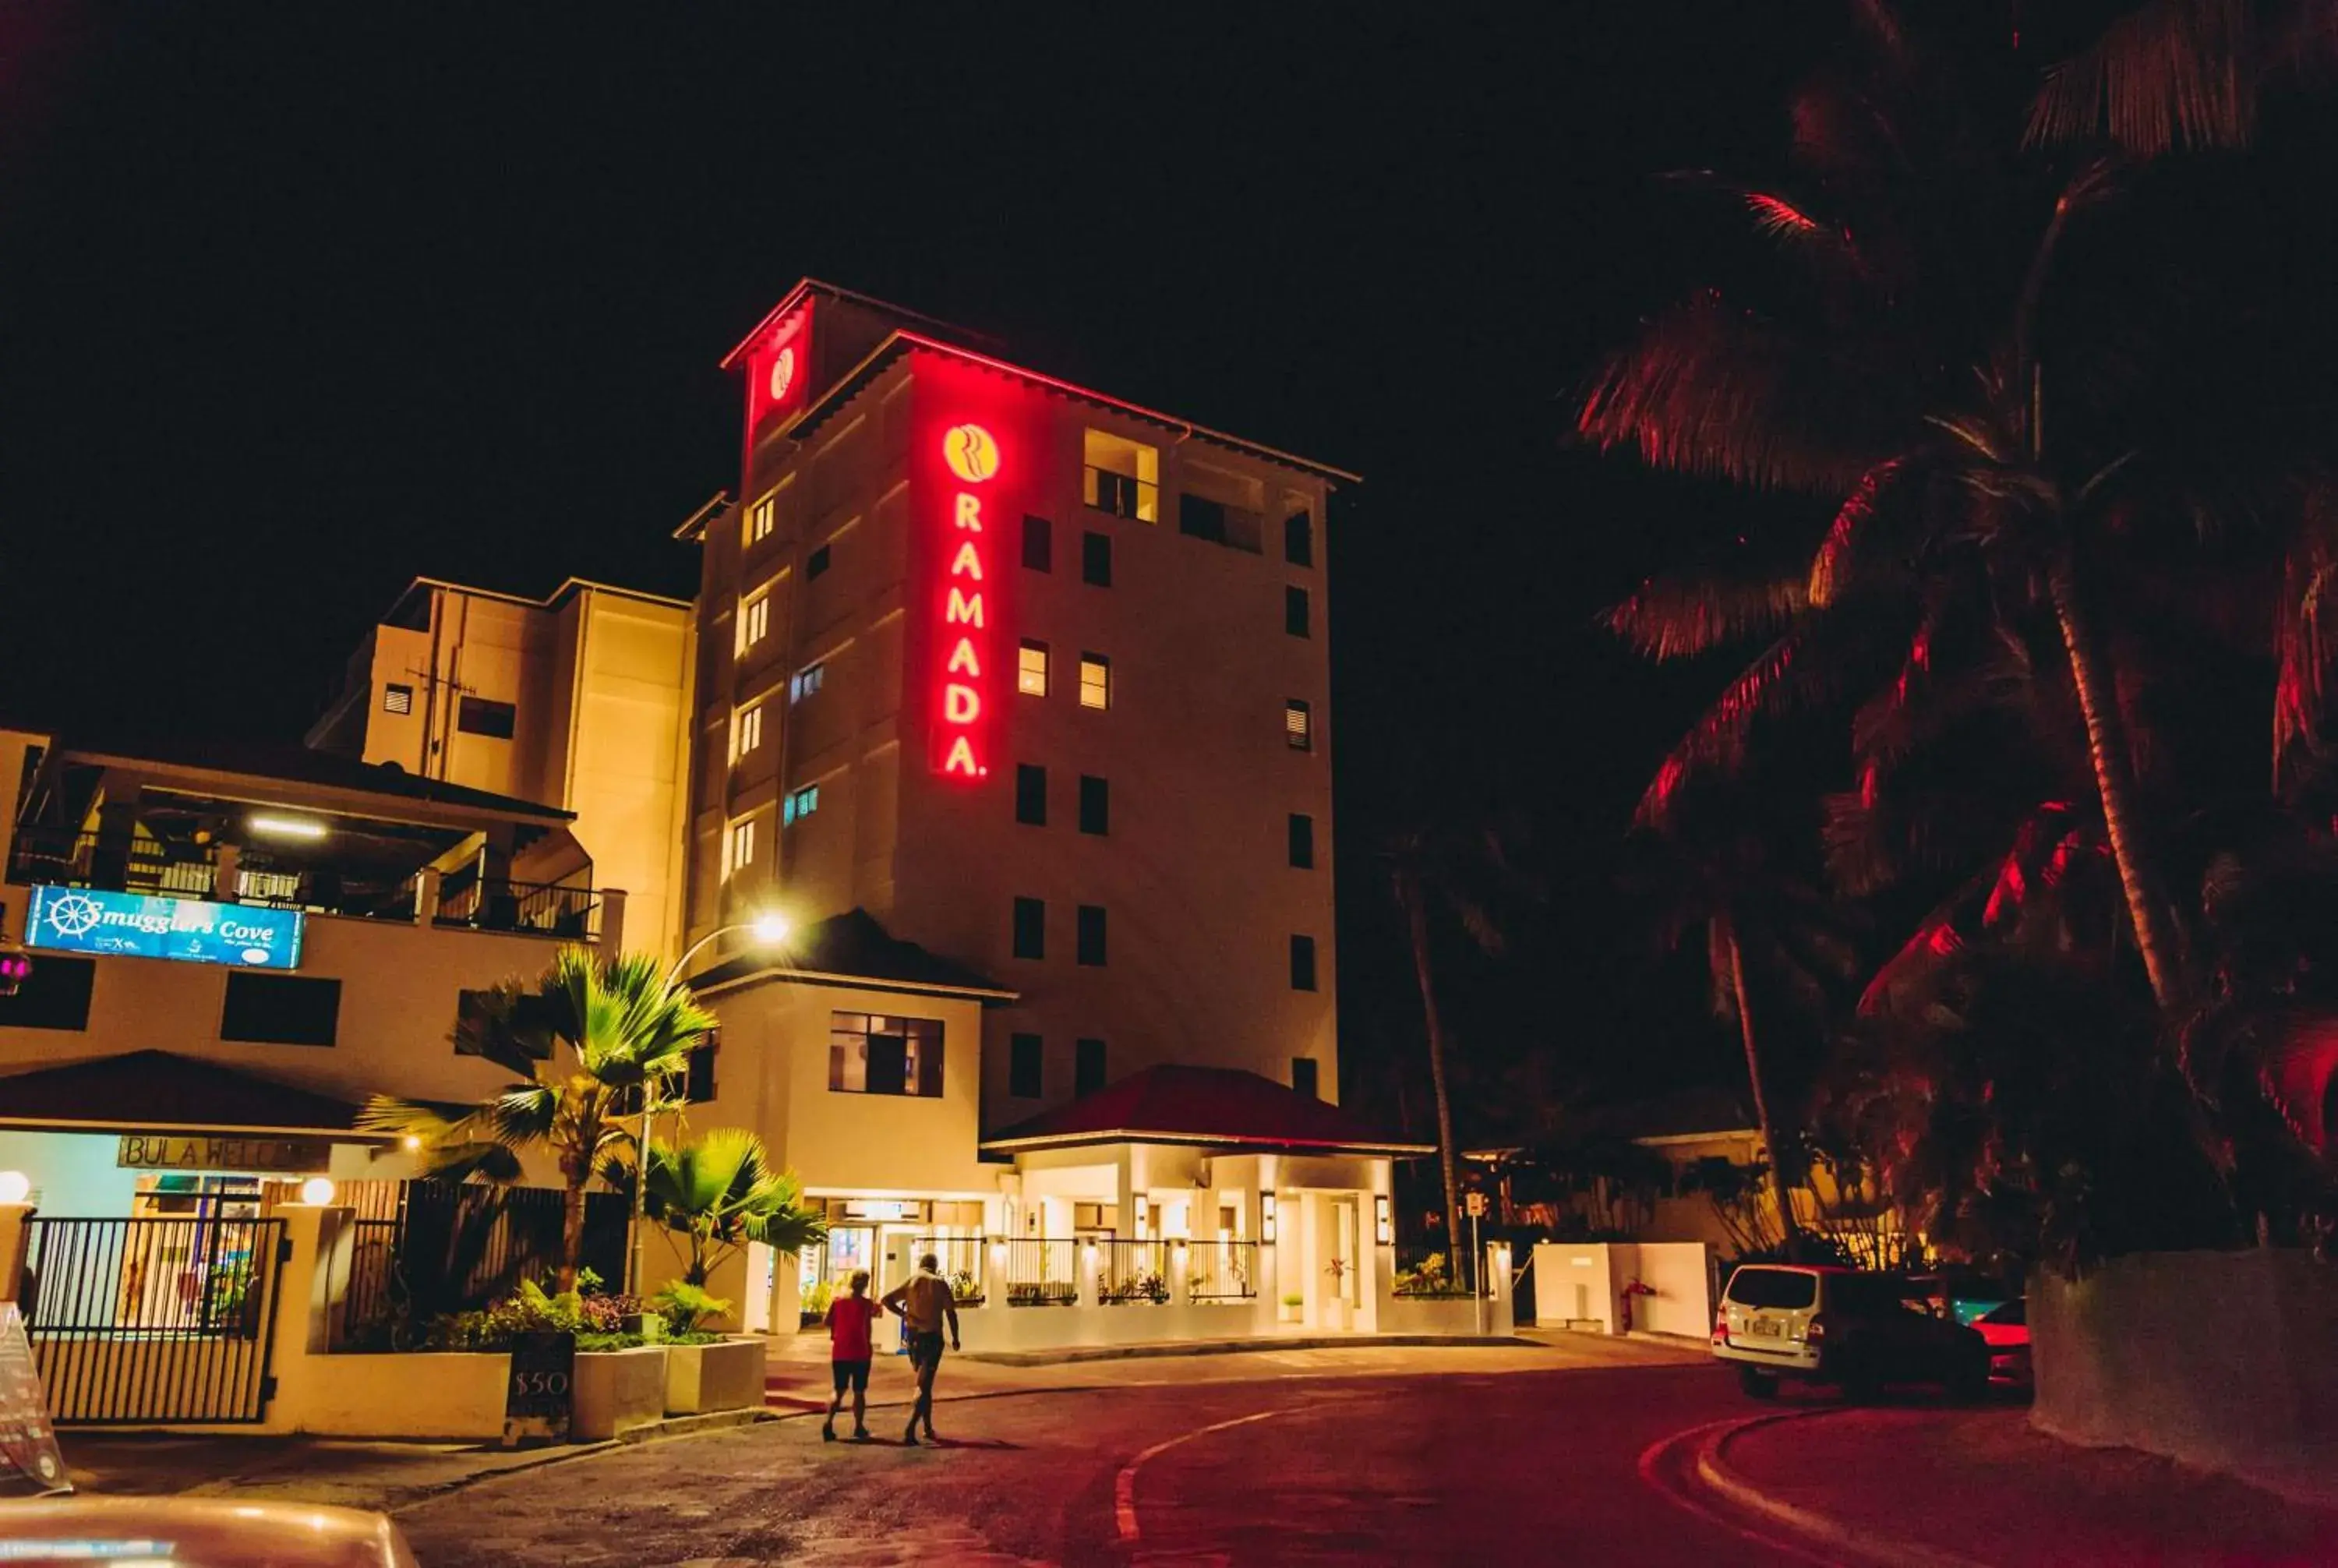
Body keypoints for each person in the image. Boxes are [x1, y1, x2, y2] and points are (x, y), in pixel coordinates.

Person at [881, 1252, 959, 1445]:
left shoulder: (911, 1281)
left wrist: (904, 1315)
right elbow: (951, 1313)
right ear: (935, 1265)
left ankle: (927, 1427)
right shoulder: (938, 1283)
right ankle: (910, 1428)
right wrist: (956, 1337)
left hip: (913, 1338)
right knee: (924, 1386)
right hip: (932, 1337)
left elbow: (886, 1300)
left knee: (926, 1384)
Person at [821, 1270, 879, 1443]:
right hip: (861, 1352)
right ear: (866, 1285)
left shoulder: (838, 1302)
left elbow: (826, 1321)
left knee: (838, 1390)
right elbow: (878, 1311)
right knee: (859, 1391)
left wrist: (837, 1330)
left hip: (840, 1351)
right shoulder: (867, 1304)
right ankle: (858, 1426)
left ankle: (828, 1422)